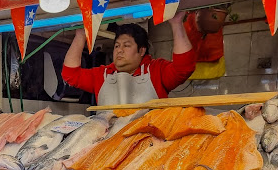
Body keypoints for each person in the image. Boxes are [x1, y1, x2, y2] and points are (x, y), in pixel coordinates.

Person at [62, 13, 196, 105]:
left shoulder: (156, 70)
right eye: (117, 45)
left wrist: (176, 23)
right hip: (110, 144)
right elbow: (70, 74)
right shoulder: (102, 75)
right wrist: (80, 36)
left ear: (141, 50)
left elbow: (184, 68)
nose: (119, 50)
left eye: (126, 45)